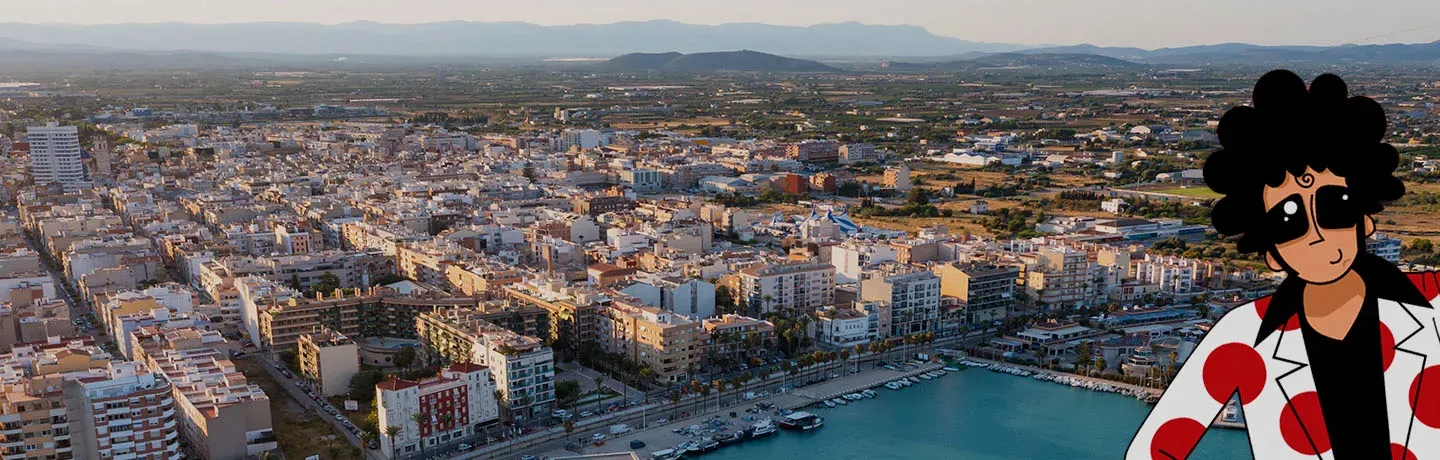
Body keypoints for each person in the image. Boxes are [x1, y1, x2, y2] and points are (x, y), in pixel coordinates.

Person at [1127, 70, 1440, 460]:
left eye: (1334, 207)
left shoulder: (1434, 304)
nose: (1318, 233)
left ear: (1365, 220)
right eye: (1288, 222)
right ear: (1271, 251)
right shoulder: (1241, 340)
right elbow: (1155, 448)